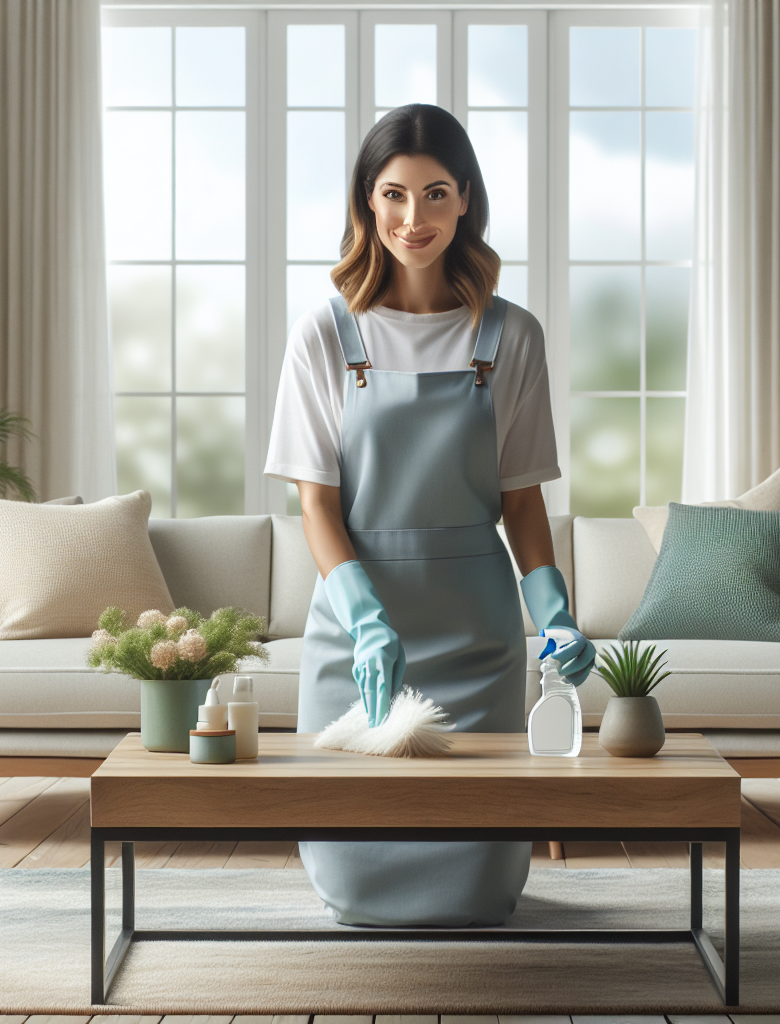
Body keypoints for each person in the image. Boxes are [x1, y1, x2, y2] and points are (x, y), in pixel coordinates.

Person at [264, 103, 596, 927]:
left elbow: (521, 501)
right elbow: (316, 503)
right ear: (367, 203)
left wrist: (553, 616)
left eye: (437, 194)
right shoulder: (323, 335)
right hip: (358, 630)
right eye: (395, 195)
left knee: (482, 882)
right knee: (352, 874)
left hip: (476, 636)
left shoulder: (511, 335)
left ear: (466, 201)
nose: (415, 219)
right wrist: (367, 619)